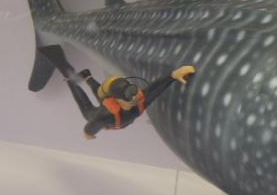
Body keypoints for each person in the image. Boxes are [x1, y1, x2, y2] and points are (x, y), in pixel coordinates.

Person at [39, 45, 196, 139]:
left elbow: (156, 88)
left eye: (132, 90)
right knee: (85, 104)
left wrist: (173, 75)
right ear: (116, 100)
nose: (135, 96)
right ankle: (68, 74)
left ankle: (87, 76)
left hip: (112, 107)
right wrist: (88, 134)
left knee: (99, 94)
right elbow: (90, 126)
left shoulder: (138, 100)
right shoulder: (104, 117)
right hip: (99, 113)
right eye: (128, 96)